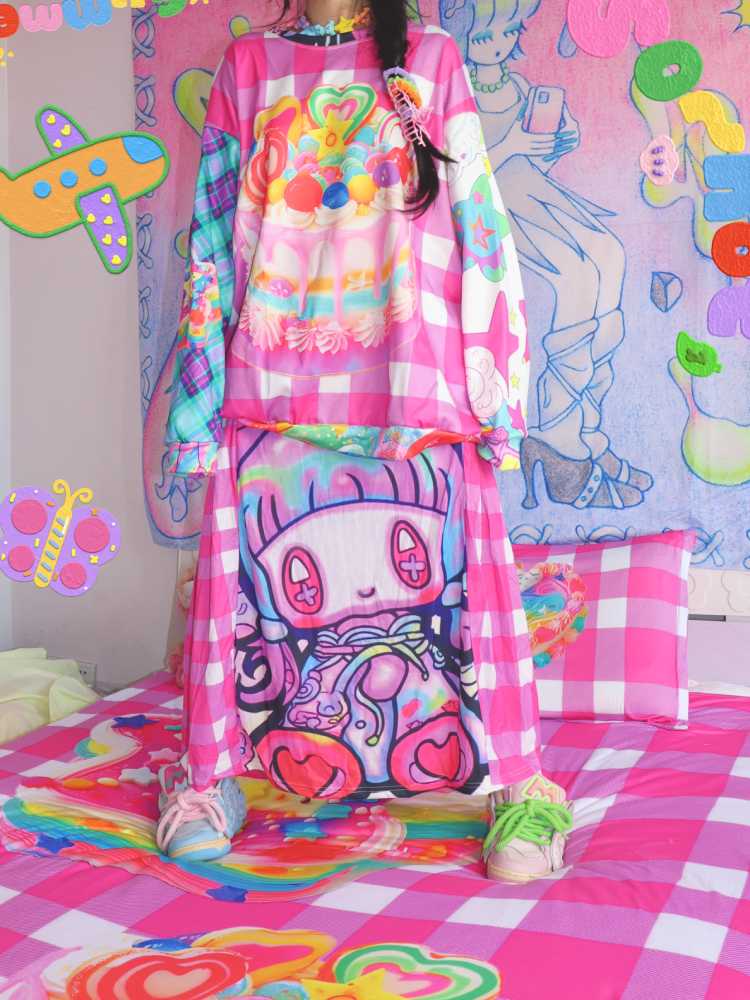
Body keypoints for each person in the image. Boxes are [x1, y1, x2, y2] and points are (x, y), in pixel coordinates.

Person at [156, 0, 573, 883]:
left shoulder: (431, 59)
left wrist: (494, 388)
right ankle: (210, 775)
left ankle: (519, 785)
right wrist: (199, 399)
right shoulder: (249, 65)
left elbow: (479, 224)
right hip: (271, 379)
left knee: (473, 590)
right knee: (240, 594)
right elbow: (213, 235)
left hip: (416, 382)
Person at [439, 0, 653, 511]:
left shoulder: (514, 86)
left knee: (609, 254)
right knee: (576, 276)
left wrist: (557, 139)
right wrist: (515, 144)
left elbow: (532, 150)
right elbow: (460, 164)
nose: (501, 44)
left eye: (509, 31)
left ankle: (587, 429)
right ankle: (559, 440)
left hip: (532, 189)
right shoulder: (453, 87)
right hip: (493, 200)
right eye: (487, 36)